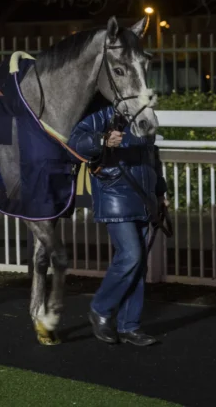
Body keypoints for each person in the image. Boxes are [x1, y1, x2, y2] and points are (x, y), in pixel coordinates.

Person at [68, 105, 168, 346]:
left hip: (144, 197)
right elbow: (75, 142)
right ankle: (101, 309)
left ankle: (129, 326)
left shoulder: (144, 112)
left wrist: (161, 191)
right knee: (131, 255)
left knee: (139, 263)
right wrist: (102, 139)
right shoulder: (102, 112)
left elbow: (151, 154)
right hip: (114, 195)